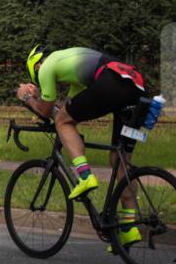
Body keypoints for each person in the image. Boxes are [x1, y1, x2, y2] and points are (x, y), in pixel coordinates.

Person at [16, 46, 145, 251]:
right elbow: (67, 107)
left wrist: (26, 97)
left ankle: (84, 176)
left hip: (111, 81)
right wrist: (42, 98)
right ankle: (129, 228)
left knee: (62, 123)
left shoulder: (47, 67)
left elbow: (49, 112)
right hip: (135, 85)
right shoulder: (71, 66)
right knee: (119, 160)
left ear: (36, 66)